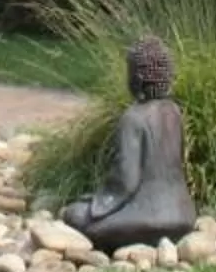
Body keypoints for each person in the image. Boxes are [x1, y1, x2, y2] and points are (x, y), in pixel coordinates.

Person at [61, 36, 197, 250]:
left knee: (75, 213)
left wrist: (99, 202)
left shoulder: (134, 117)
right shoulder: (174, 111)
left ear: (137, 77)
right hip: (183, 214)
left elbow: (126, 180)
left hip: (145, 217)